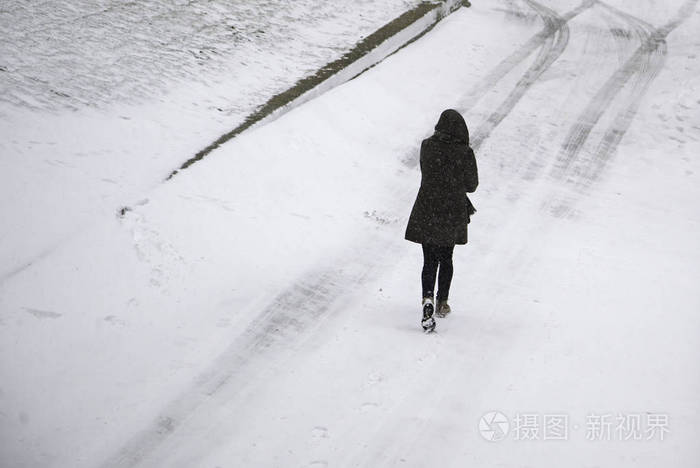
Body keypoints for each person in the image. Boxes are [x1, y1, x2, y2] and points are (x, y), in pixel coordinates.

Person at [405, 109, 478, 332]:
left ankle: (426, 298)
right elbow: (472, 185)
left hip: (428, 206)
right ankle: (441, 302)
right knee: (446, 257)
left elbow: (427, 173)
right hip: (451, 210)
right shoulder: (464, 152)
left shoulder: (427, 146)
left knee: (429, 259)